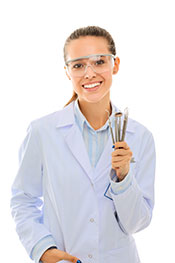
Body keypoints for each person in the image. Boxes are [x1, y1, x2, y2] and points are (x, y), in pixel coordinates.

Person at [10, 26, 156, 263]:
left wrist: (124, 177)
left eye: (99, 62)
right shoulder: (42, 132)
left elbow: (137, 223)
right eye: (78, 65)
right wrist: (43, 249)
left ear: (115, 65)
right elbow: (23, 199)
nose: (89, 73)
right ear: (67, 72)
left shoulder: (140, 137)